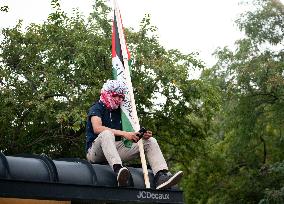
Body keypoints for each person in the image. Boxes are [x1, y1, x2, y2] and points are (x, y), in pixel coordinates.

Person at [85, 80, 183, 189]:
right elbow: (97, 128)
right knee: (107, 134)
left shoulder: (121, 112)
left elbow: (130, 134)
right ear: (107, 93)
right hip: (95, 152)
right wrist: (125, 134)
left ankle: (161, 176)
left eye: (121, 96)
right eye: (115, 95)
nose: (118, 99)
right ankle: (119, 171)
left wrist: (139, 135)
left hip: (115, 151)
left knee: (150, 141)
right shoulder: (97, 107)